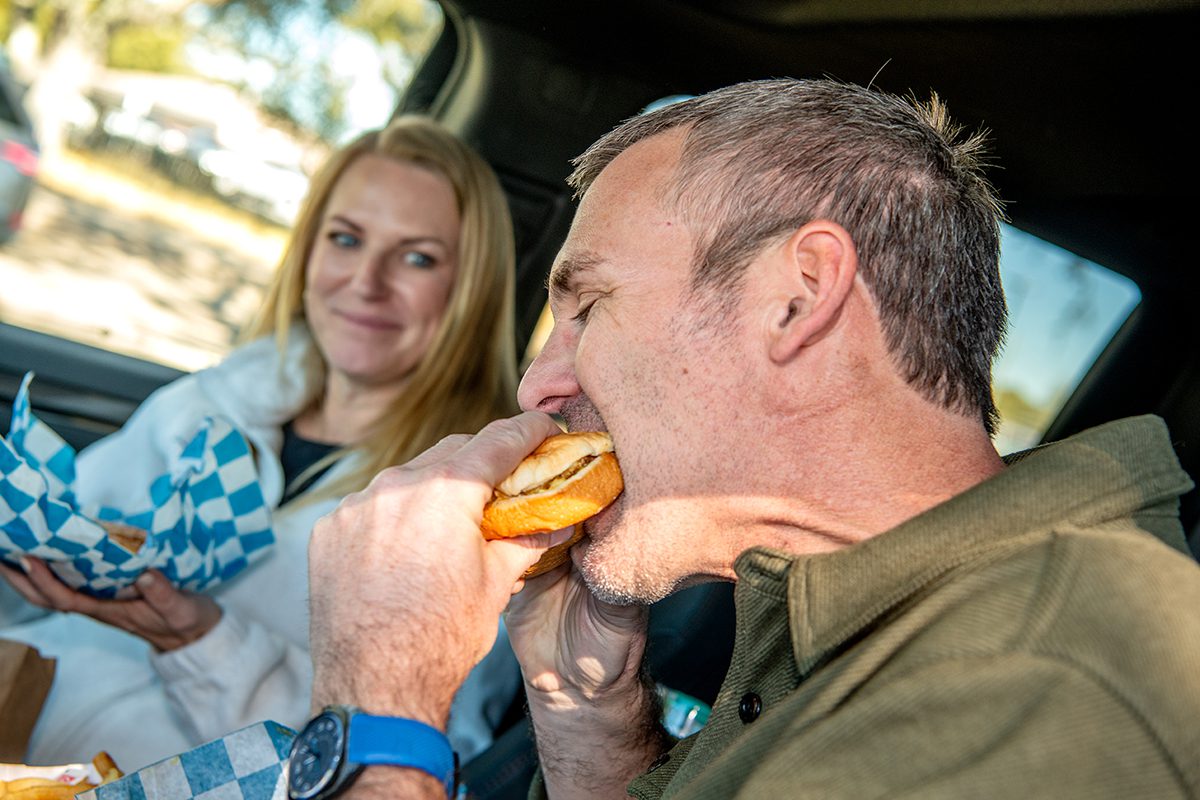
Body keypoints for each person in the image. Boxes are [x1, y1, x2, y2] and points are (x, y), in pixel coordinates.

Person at [303, 79, 1200, 799]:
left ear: (799, 298)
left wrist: (380, 697)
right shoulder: (847, 604)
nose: (541, 382)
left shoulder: (1040, 688)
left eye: (588, 307)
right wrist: (585, 698)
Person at [0, 116, 523, 770]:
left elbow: (412, 766)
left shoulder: (473, 505)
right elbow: (38, 553)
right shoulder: (209, 404)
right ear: (307, 252)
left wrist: (202, 640)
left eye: (418, 257)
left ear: (471, 292)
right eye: (345, 239)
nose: (366, 281)